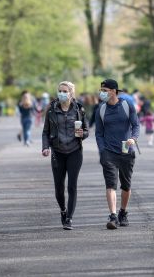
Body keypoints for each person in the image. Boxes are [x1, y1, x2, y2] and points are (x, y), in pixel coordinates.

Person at [42, 81, 89, 230]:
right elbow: (45, 132)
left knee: (72, 186)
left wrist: (83, 134)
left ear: (71, 93)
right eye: (60, 90)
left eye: (64, 91)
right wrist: (45, 147)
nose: (61, 93)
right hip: (57, 152)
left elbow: (87, 130)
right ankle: (63, 210)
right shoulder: (51, 109)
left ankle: (69, 218)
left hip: (75, 151)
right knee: (59, 188)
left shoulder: (79, 108)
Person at [95, 79, 140, 229]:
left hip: (127, 152)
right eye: (101, 90)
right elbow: (99, 133)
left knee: (126, 185)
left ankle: (123, 212)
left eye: (105, 90)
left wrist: (133, 138)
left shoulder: (127, 105)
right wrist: (102, 150)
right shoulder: (101, 109)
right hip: (109, 152)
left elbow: (136, 125)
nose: (102, 93)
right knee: (111, 184)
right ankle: (113, 216)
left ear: (114, 91)